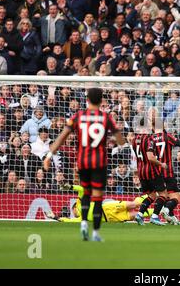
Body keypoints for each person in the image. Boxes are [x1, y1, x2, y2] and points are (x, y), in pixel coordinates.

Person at [43, 88, 125, 242]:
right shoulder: (106, 117)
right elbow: (121, 141)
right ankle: (95, 233)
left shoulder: (78, 116)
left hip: (83, 162)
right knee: (98, 197)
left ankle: (83, 225)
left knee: (86, 194)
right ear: (101, 101)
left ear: (87, 100)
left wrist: (48, 156)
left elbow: (61, 137)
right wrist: (111, 138)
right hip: (99, 162)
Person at [45, 185, 153, 223]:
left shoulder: (80, 204)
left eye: (73, 212)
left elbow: (81, 189)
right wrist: (55, 217)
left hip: (107, 207)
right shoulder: (81, 219)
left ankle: (150, 196)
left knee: (134, 205)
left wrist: (70, 187)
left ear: (74, 208)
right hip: (110, 218)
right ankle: (159, 211)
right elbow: (67, 221)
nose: (74, 214)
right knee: (135, 215)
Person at [149, 107, 180, 225]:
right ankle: (167, 210)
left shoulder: (150, 139)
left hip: (155, 172)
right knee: (176, 197)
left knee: (164, 196)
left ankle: (170, 217)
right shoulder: (167, 136)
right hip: (167, 171)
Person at [131, 124, 168, 226]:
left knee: (152, 195)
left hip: (141, 171)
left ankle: (139, 214)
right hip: (151, 171)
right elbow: (150, 157)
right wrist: (161, 164)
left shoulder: (134, 140)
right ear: (146, 127)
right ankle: (155, 216)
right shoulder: (149, 139)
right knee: (163, 194)